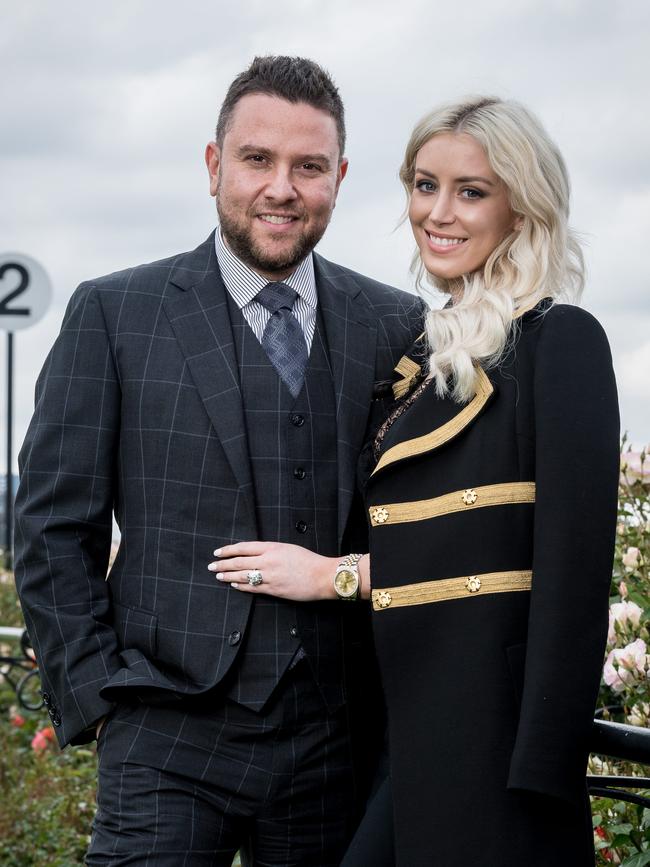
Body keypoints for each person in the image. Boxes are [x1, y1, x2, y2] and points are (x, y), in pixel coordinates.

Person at [13, 55, 424, 866]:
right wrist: (98, 701)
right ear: (214, 166)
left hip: (334, 743)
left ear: (339, 177)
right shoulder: (115, 312)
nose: (283, 187)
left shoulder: (394, 322)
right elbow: (53, 524)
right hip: (166, 734)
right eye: (257, 160)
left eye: (309, 167)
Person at [212, 96, 620, 865]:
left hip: (494, 750)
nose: (439, 212)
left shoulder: (560, 342)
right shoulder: (421, 365)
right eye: (423, 184)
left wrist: (338, 576)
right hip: (397, 738)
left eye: (472, 190)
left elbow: (570, 568)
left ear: (521, 206)